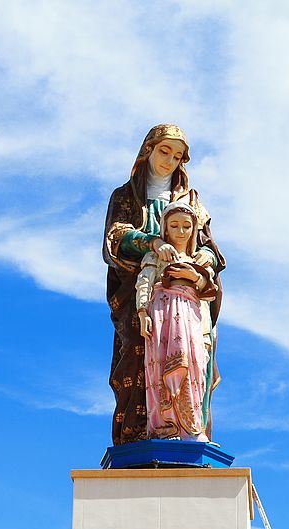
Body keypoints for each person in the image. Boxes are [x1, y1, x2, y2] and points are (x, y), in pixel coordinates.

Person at [103, 124, 225, 445]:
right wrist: (151, 244)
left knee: (193, 357)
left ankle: (189, 430)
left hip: (188, 299)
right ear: (149, 150)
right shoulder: (127, 196)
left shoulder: (191, 200)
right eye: (164, 151)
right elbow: (115, 237)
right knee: (139, 355)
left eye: (177, 156)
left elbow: (209, 247)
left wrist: (205, 261)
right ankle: (142, 437)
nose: (169, 161)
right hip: (142, 297)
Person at [136, 201, 217, 441]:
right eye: (174, 226)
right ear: (165, 229)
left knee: (194, 366)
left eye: (186, 226)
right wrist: (142, 313)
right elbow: (144, 282)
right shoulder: (156, 256)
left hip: (192, 316)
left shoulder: (199, 260)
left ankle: (191, 428)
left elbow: (209, 291)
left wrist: (195, 277)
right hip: (163, 313)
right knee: (162, 366)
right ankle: (165, 427)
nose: (181, 232)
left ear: (193, 229)